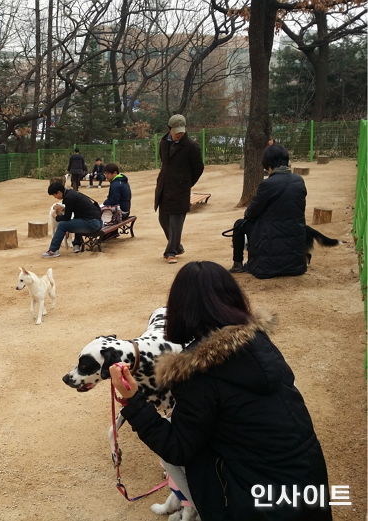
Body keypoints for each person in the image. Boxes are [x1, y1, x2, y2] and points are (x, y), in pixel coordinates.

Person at [110, 261, 331, 521]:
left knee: (188, 454)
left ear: (180, 308)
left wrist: (132, 401)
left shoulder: (197, 371)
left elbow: (177, 448)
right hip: (308, 489)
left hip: (255, 505)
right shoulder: (259, 342)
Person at [229, 144, 307, 278]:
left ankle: (238, 265)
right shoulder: (299, 181)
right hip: (296, 264)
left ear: (268, 165)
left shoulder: (268, 184)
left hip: (266, 266)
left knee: (239, 224)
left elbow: (250, 214)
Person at [154, 114, 204, 264]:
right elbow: (164, 162)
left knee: (176, 222)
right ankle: (177, 246)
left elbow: (198, 168)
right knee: (163, 219)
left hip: (180, 189)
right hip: (164, 186)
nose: (179, 134)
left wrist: (186, 183)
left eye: (181, 132)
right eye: (176, 132)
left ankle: (171, 252)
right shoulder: (163, 142)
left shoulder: (191, 146)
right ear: (169, 129)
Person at [43, 180, 102, 257]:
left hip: (92, 224)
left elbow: (67, 217)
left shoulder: (68, 198)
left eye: (54, 195)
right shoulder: (71, 193)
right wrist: (64, 209)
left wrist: (56, 217)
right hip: (97, 222)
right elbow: (77, 212)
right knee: (76, 221)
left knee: (62, 225)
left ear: (59, 192)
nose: (55, 197)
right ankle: (76, 244)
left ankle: (53, 251)